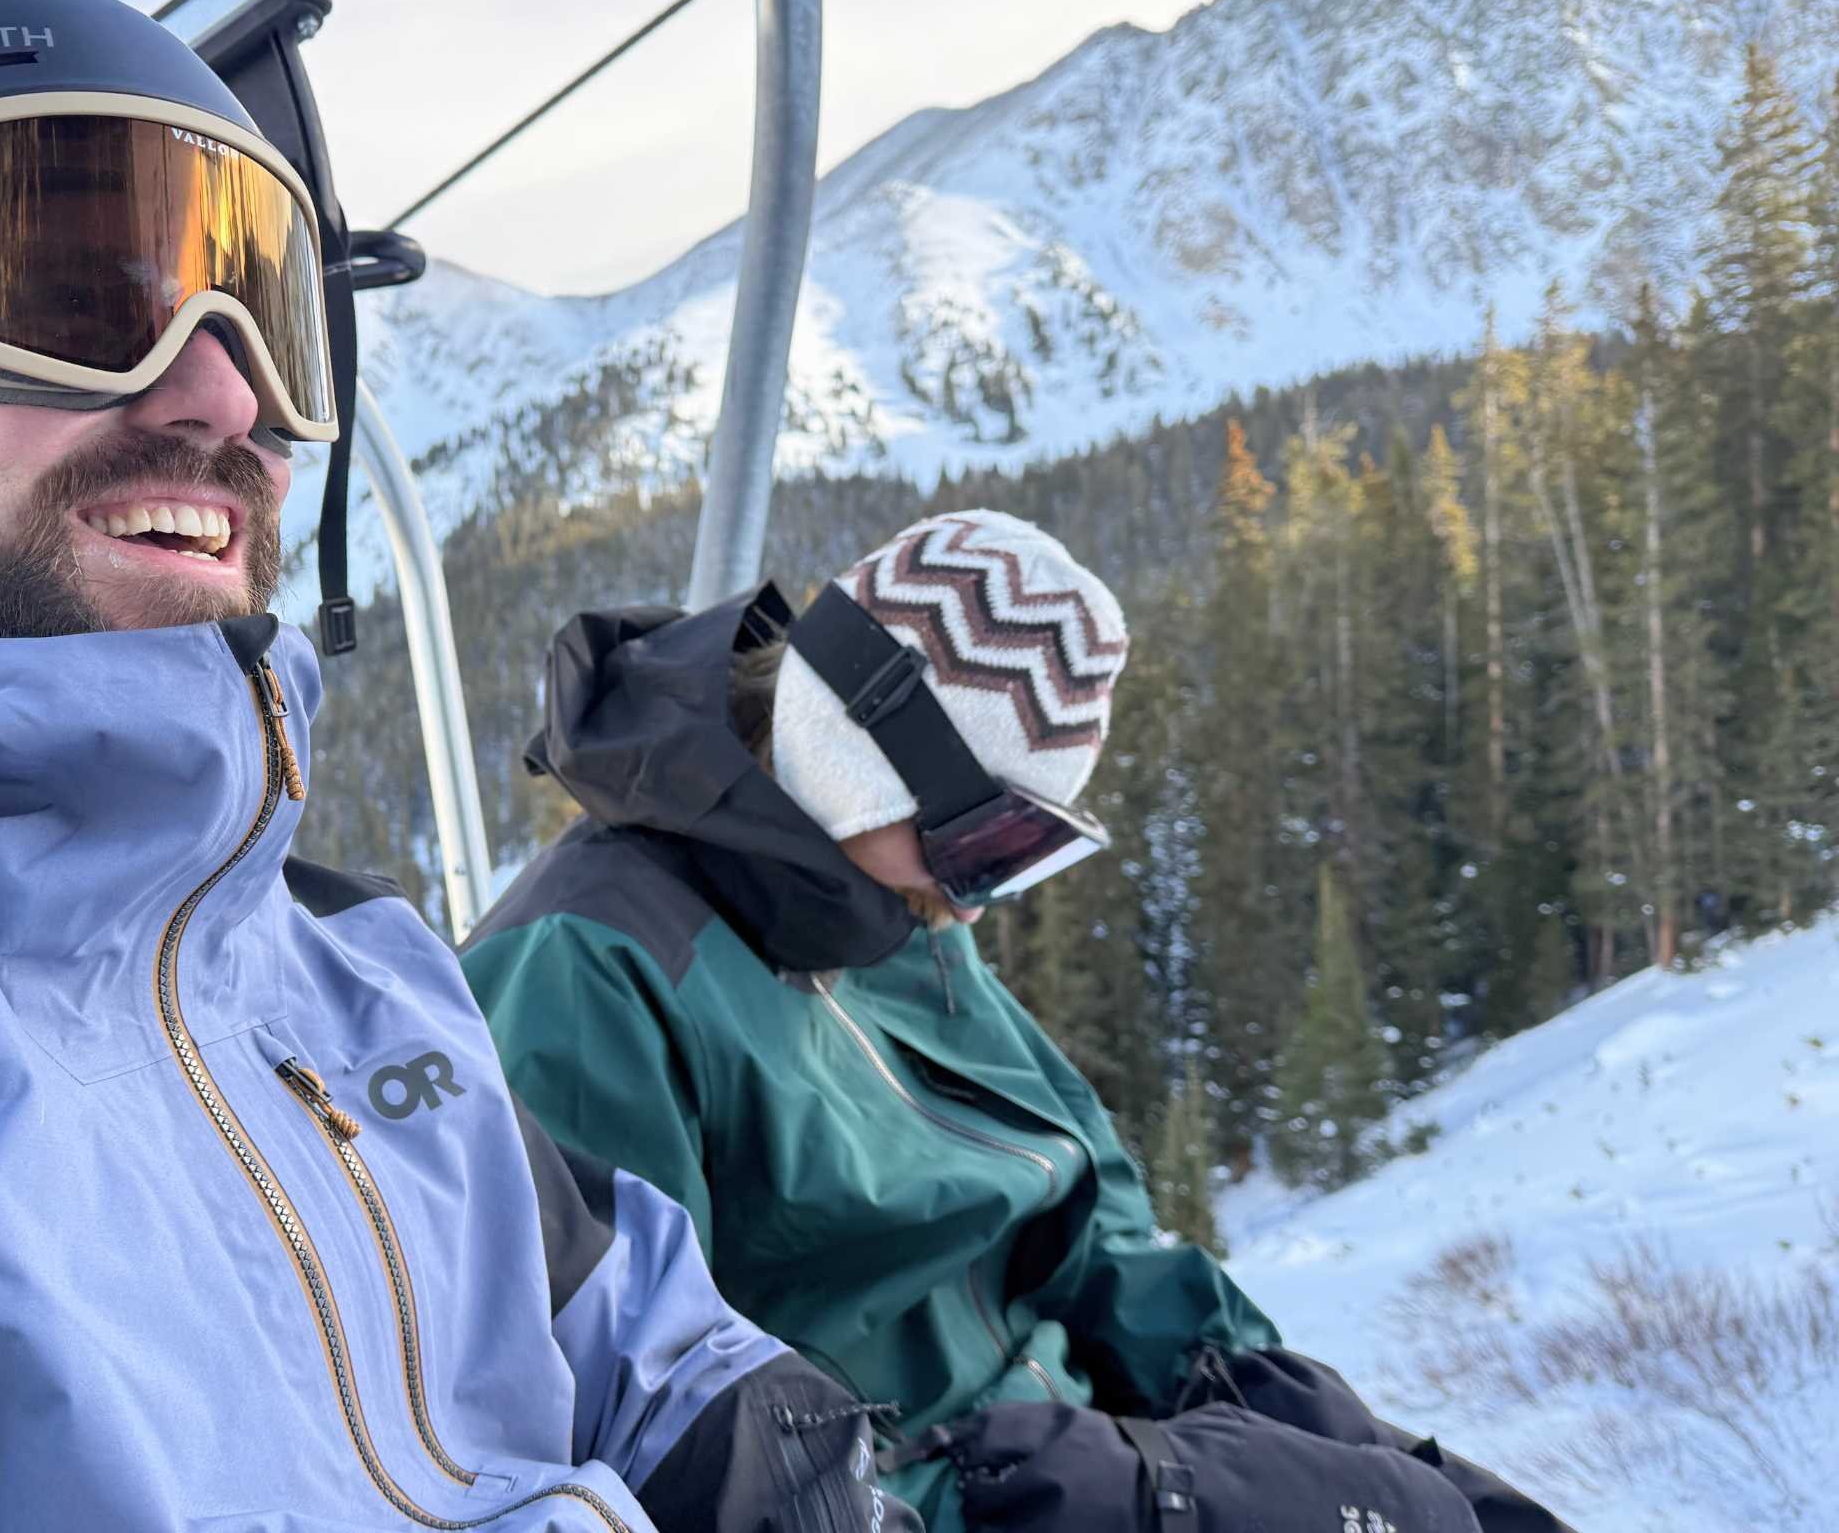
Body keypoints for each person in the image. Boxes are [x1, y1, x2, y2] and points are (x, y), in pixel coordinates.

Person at [0, 0, 911, 1533]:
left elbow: (667, 1371)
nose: (227, 391)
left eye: (265, 305)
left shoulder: (347, 967)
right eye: (71, 295)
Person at [462, 511, 1572, 1533]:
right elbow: (641, 1431)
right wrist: (1077, 1504)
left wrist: (1266, 1399)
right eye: (984, 841)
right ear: (860, 756)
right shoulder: (590, 973)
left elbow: (1078, 1209)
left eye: (1028, 852)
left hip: (1072, 1457)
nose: (974, 903)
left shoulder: (878, 898)